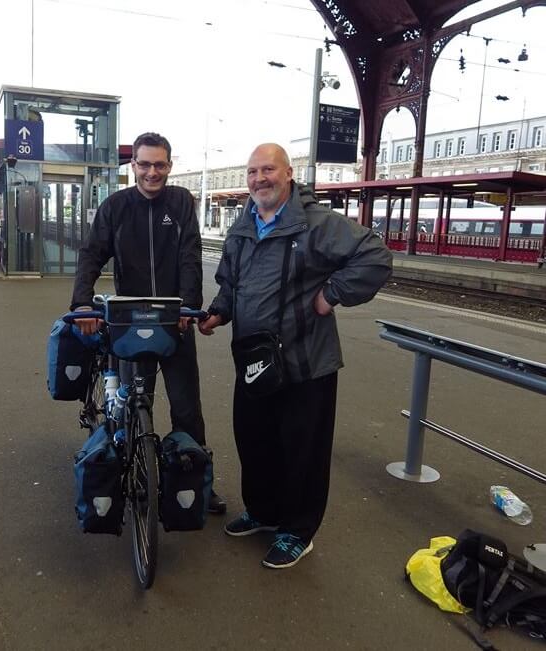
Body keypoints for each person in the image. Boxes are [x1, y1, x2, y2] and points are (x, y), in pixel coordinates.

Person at [199, 143, 392, 568]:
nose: (258, 179)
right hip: (254, 359)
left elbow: (374, 256)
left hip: (306, 363)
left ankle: (298, 531)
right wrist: (219, 312)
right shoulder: (242, 228)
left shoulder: (317, 224)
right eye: (252, 171)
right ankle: (265, 512)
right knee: (255, 440)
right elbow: (230, 282)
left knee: (302, 449)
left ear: (288, 173)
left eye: (268, 169)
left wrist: (330, 295)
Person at [71, 131, 226, 514]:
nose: (152, 172)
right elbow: (91, 255)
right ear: (133, 166)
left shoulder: (181, 202)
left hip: (174, 322)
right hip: (128, 321)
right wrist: (81, 305)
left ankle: (194, 482)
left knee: (187, 408)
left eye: (159, 164)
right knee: (131, 404)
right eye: (144, 164)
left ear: (169, 166)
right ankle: (125, 473)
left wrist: (190, 307)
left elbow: (190, 255)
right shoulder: (116, 207)